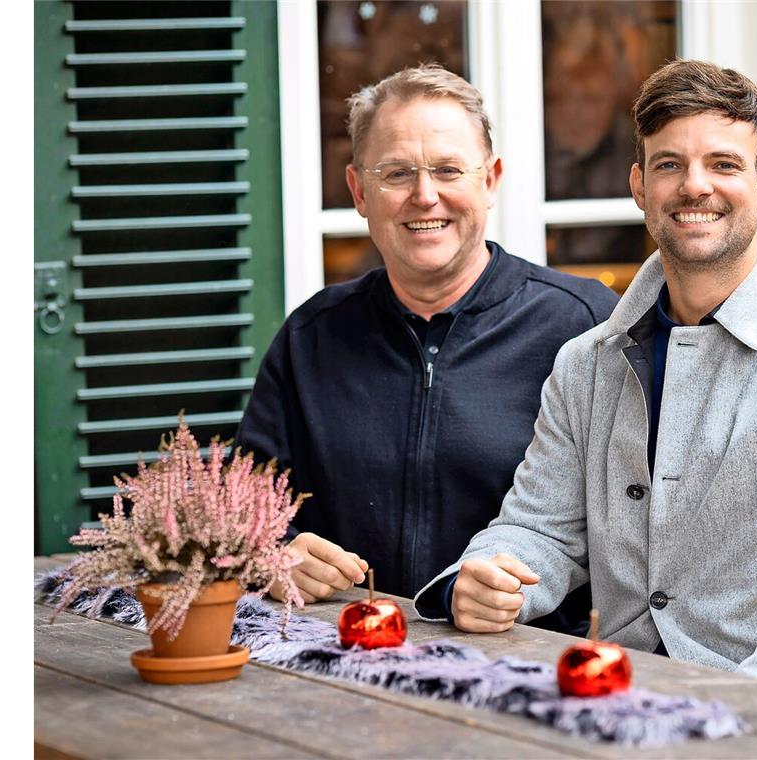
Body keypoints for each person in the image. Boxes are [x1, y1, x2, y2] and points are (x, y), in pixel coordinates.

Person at [413, 59, 757, 714]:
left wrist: (740, 708)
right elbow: (538, 528)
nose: (695, 186)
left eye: (723, 164)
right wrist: (484, 573)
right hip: (629, 709)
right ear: (639, 184)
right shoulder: (585, 364)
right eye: (669, 165)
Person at [233, 64, 618, 634]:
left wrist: (522, 585)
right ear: (359, 192)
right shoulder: (312, 335)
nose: (424, 195)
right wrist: (270, 554)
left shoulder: (584, 327)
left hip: (523, 665)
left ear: (491, 180)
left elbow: (630, 519)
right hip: (338, 661)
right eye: (396, 173)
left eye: (447, 169)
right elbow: (242, 504)